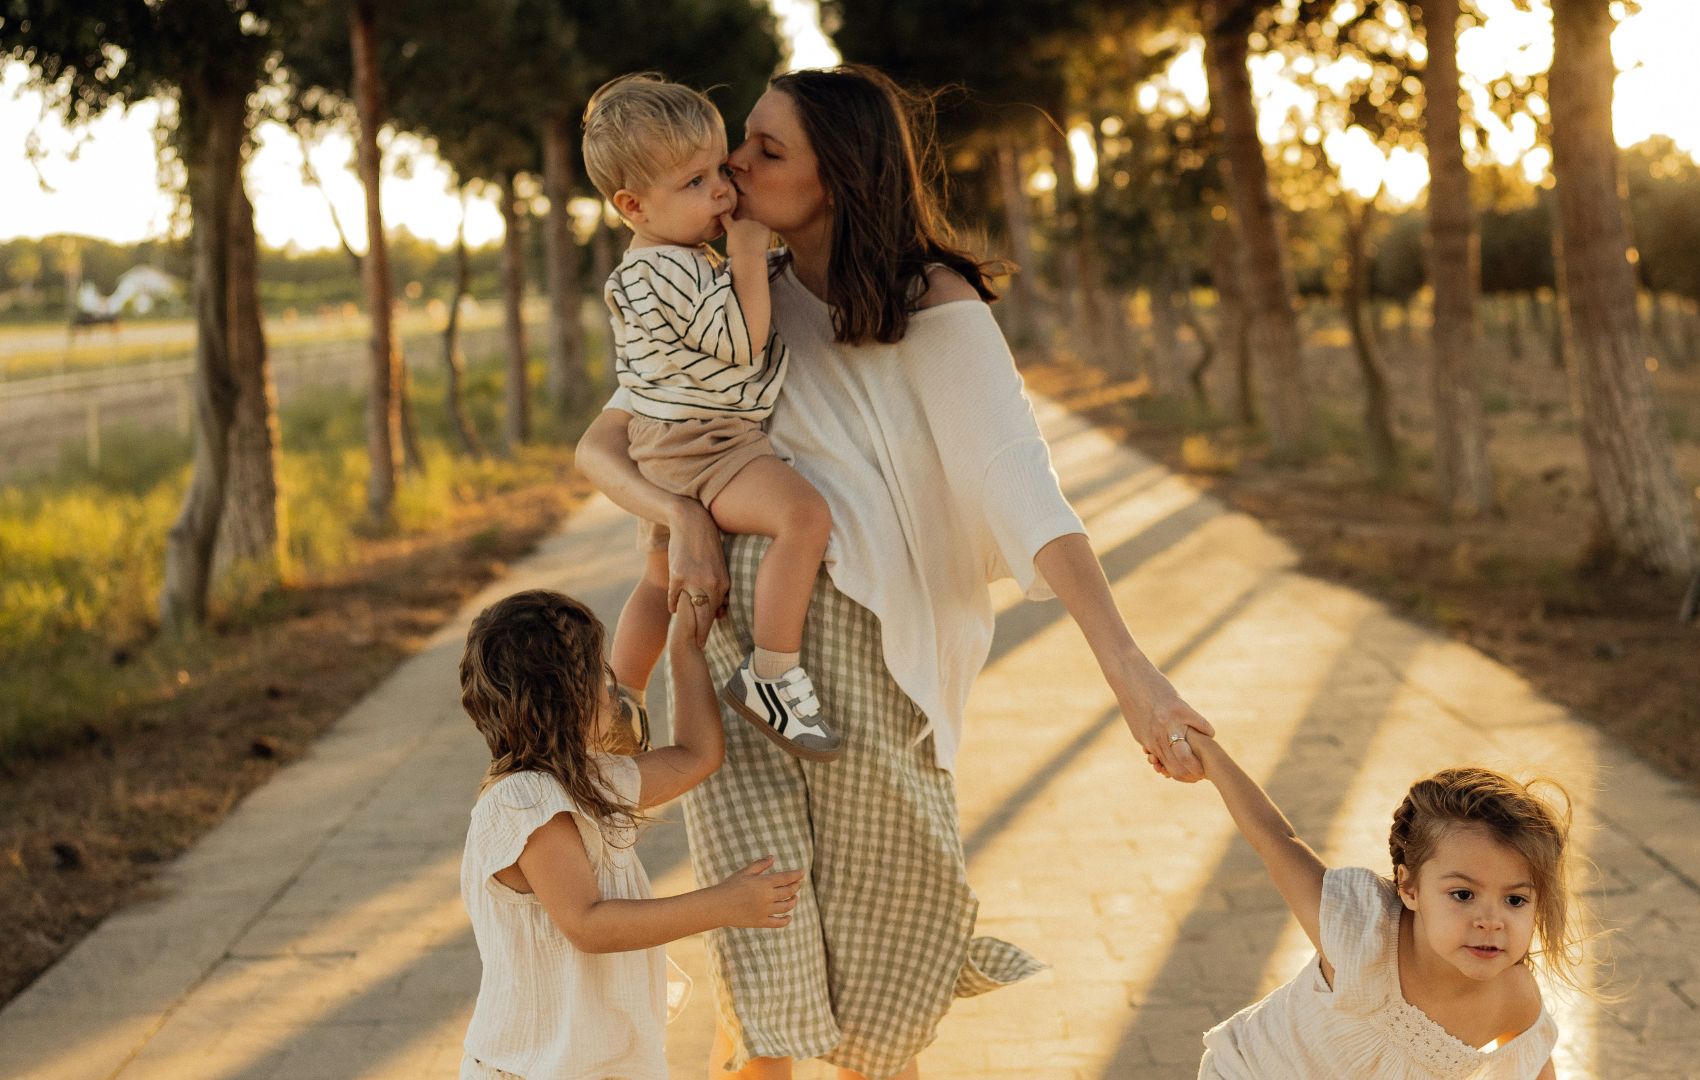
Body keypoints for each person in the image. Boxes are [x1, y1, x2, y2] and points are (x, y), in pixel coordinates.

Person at [575, 64, 1214, 1080]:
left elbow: (1021, 485)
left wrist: (1130, 670)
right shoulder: (745, 298)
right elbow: (606, 442)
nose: (735, 168)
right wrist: (679, 517)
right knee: (761, 948)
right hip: (732, 650)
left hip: (866, 671)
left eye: (766, 151)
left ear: (841, 176)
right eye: (737, 143)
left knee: (881, 961)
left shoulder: (930, 300)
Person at [581, 72, 839, 762]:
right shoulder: (664, 268)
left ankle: (619, 697)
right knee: (804, 517)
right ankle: (773, 674)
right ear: (634, 205)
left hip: (664, 445)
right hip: (706, 443)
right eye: (695, 184)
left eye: (719, 170)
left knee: (660, 581)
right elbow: (741, 339)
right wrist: (749, 254)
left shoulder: (664, 261)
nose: (723, 192)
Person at [457, 589, 805, 1080]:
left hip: (599, 1064)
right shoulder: (527, 801)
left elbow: (696, 756)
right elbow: (589, 924)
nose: (610, 680)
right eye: (596, 669)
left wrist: (685, 645)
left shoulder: (585, 780)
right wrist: (723, 905)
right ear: (565, 697)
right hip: (537, 1069)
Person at [1172, 733, 1573, 1080]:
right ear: (1409, 886)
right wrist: (1206, 753)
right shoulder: (1361, 931)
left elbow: (1536, 1064)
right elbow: (1274, 837)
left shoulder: (1513, 997)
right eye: (1463, 895)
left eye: (1515, 900)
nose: (1490, 922)